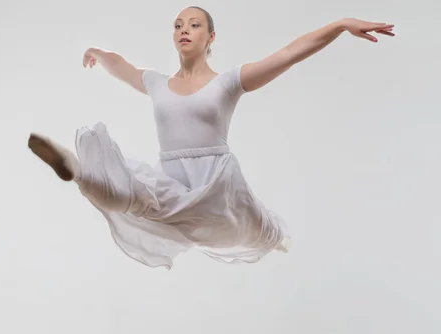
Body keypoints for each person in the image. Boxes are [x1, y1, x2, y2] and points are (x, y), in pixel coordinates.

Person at [28, 7, 395, 269]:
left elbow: (289, 54)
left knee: (261, 230)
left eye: (194, 24)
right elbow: (122, 66)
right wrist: (98, 52)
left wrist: (341, 25)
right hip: (171, 178)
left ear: (210, 37)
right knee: (130, 196)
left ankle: (277, 239)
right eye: (177, 25)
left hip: (217, 185)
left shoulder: (228, 82)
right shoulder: (158, 83)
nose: (183, 30)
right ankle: (76, 168)